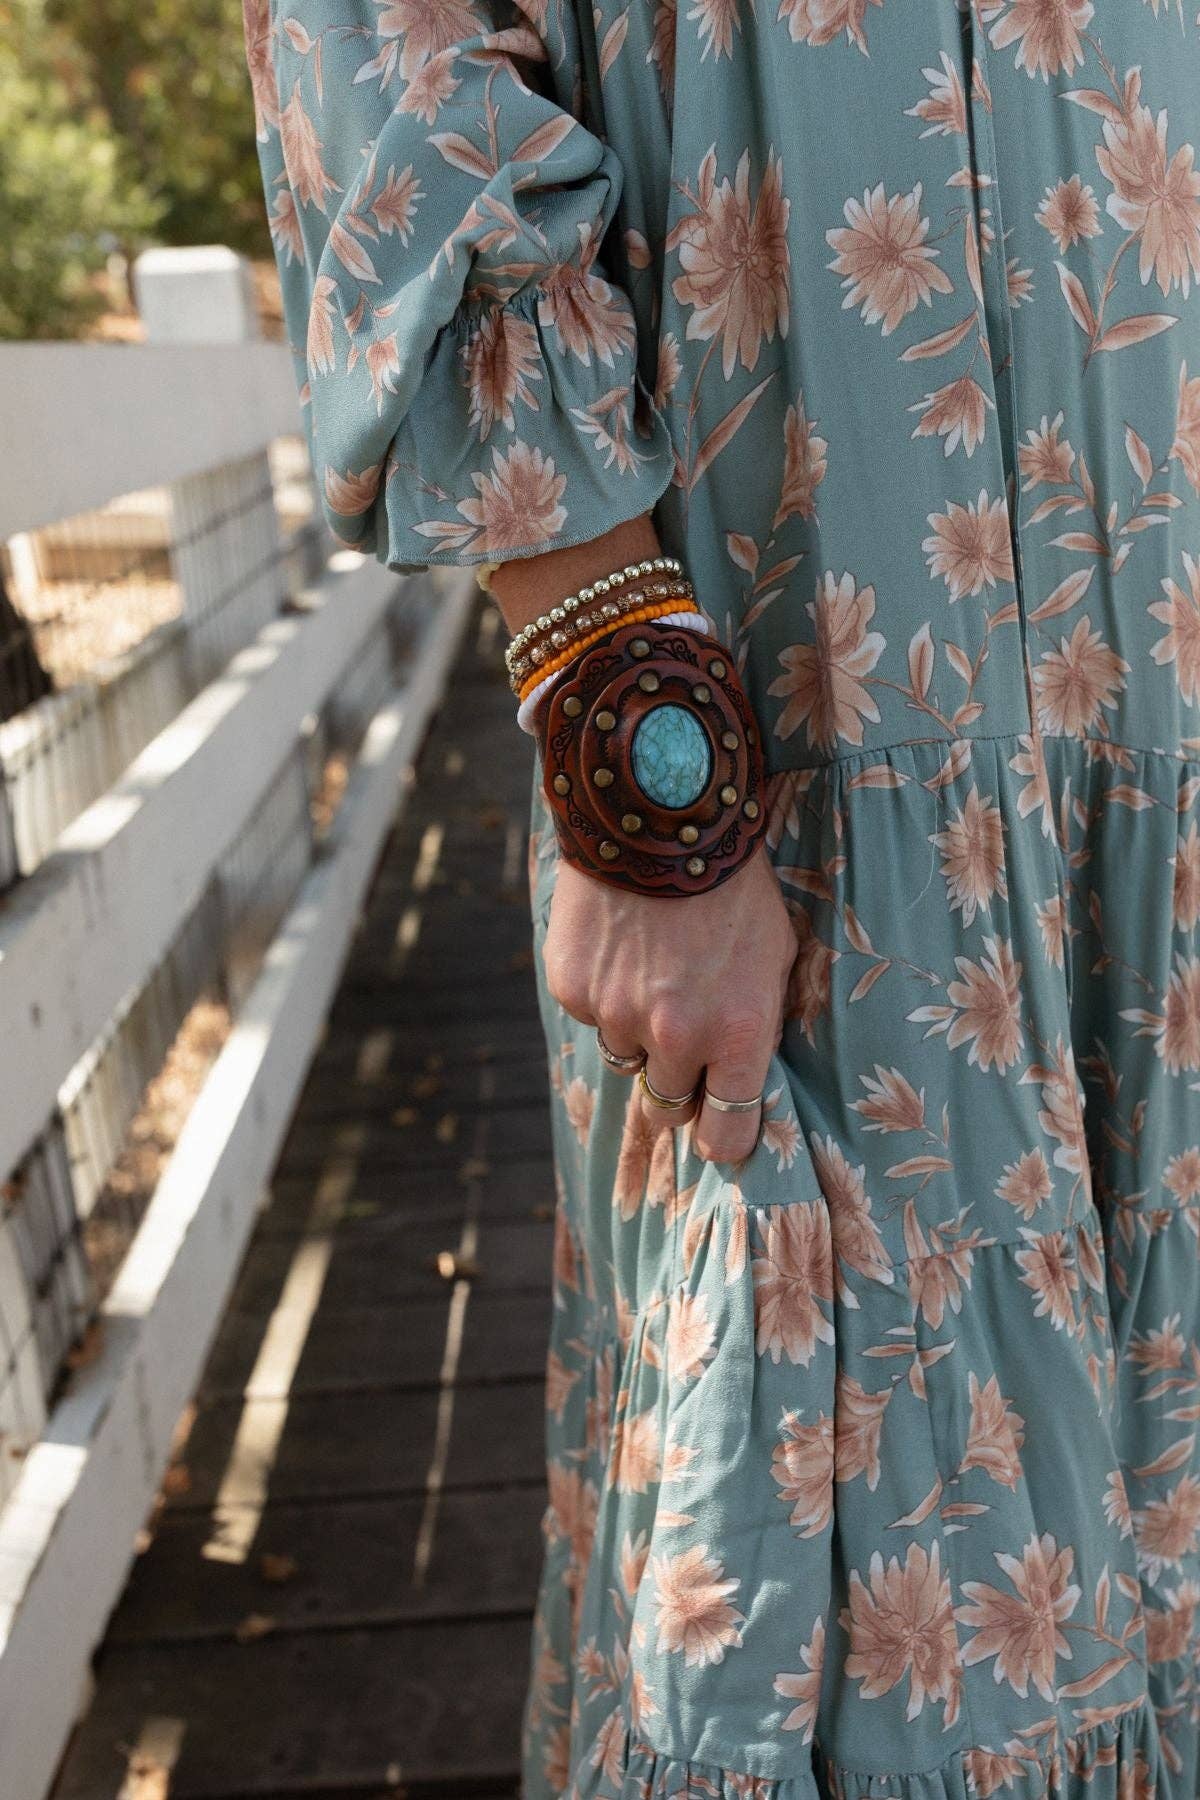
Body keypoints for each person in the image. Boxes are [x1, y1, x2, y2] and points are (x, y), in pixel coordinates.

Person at [241, 1, 1200, 1792]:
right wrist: (619, 699)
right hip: (808, 746)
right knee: (857, 1620)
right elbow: (378, 53)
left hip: (1157, 676)